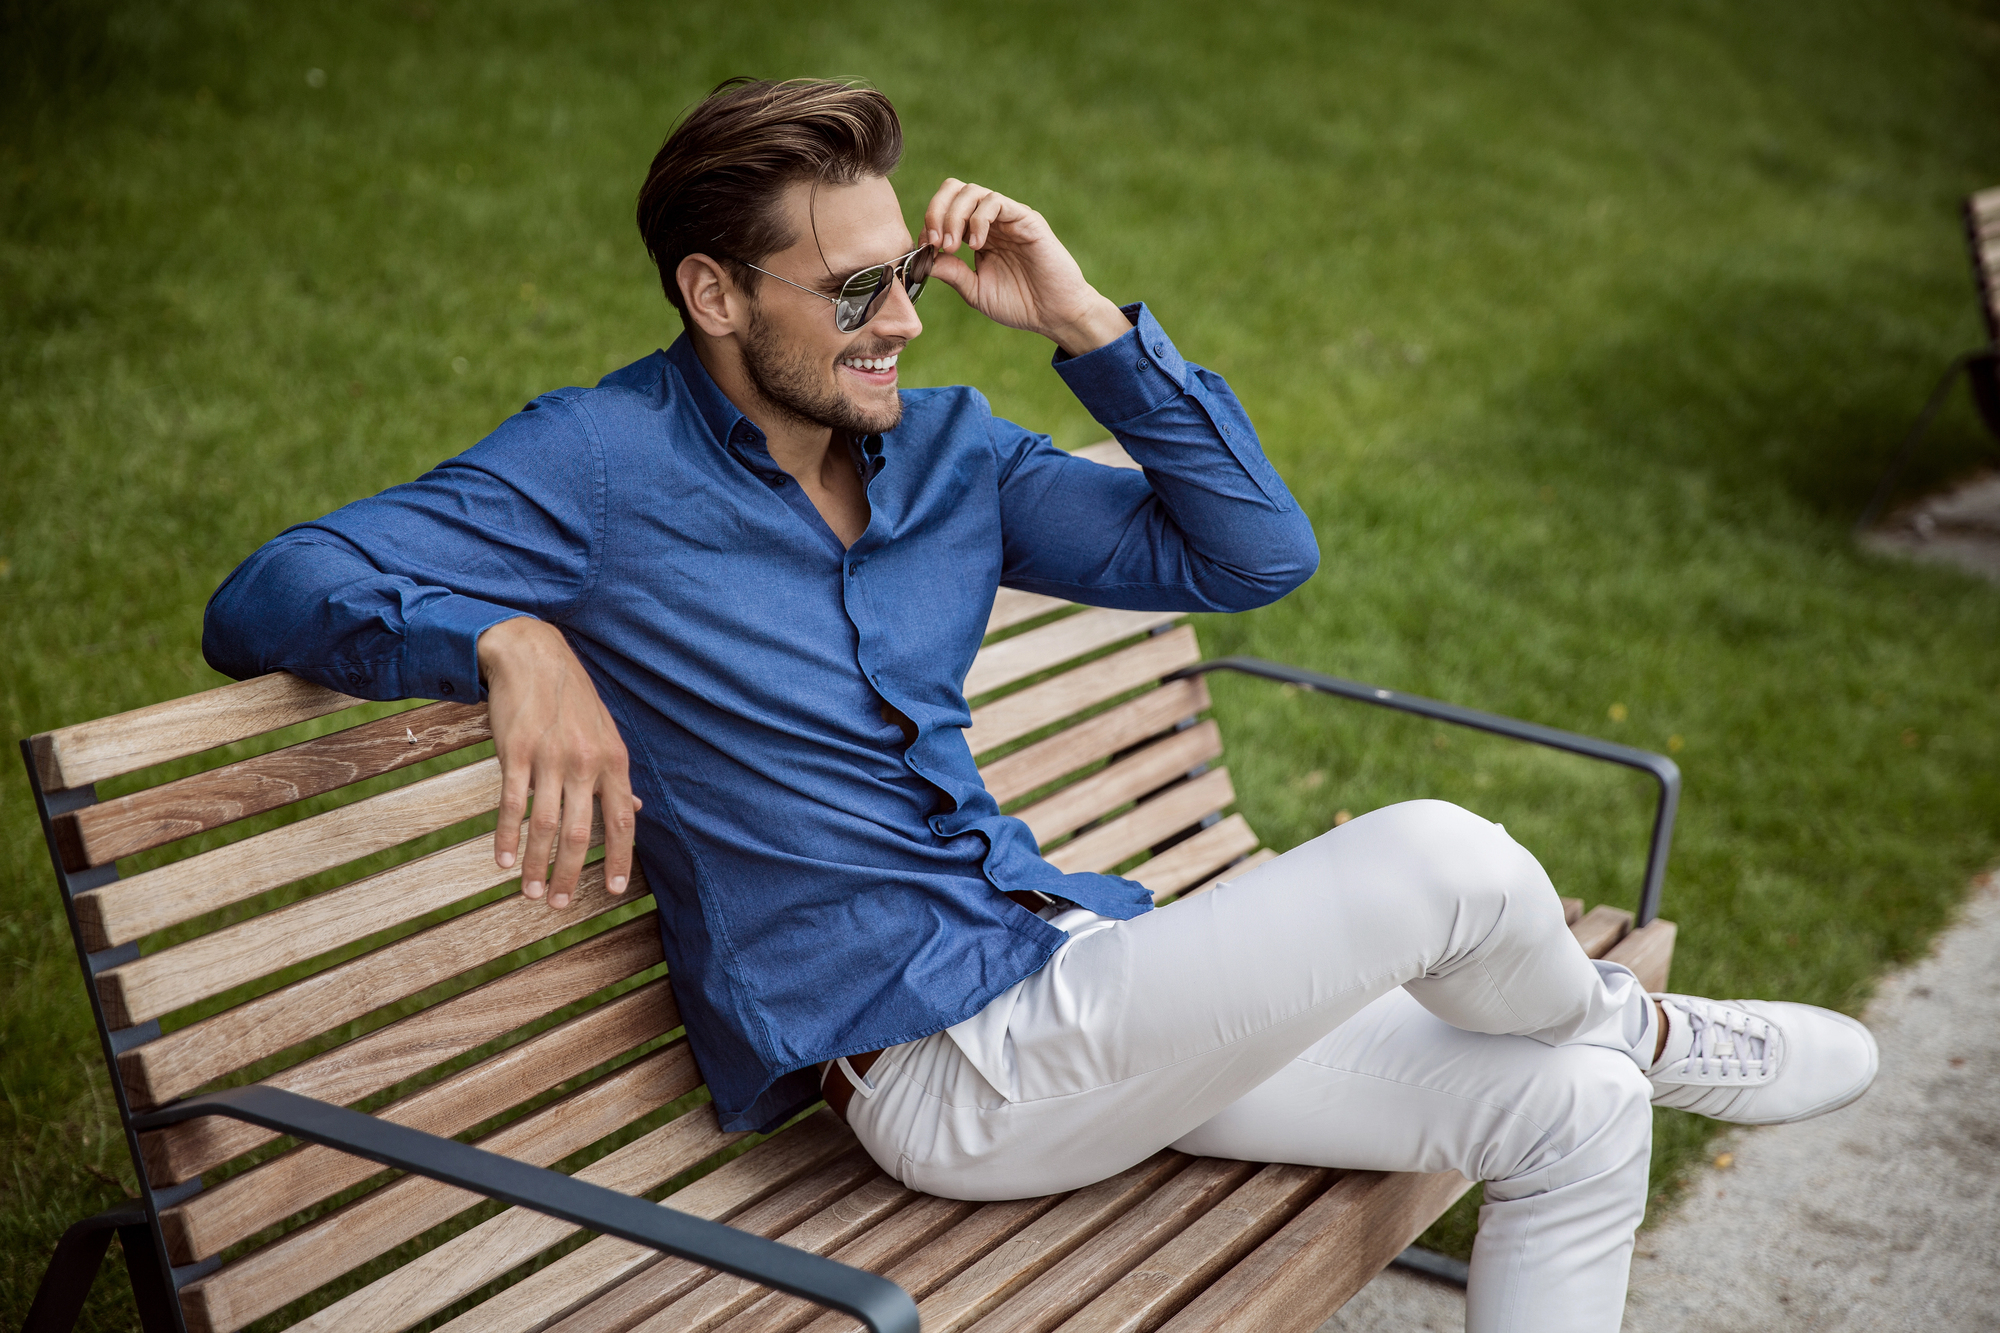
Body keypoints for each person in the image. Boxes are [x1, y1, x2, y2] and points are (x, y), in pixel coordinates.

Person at [203, 77, 1878, 1333]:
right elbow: (264, 593)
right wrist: (508, 635)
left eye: (904, 275)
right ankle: (1649, 1028)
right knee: (1438, 853)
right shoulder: (592, 465)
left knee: (1563, 1111)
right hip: (945, 1074)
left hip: (1074, 979)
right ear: (716, 297)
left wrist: (1081, 321)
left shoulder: (949, 457)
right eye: (850, 291)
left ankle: (1609, 1055)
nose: (903, 320)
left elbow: (1252, 557)